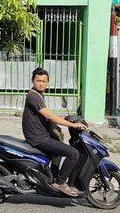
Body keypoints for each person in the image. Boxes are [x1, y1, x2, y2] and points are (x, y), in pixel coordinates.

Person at [22, 67, 87, 197]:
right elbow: (50, 116)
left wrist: (66, 119)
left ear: (47, 83)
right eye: (38, 80)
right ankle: (60, 183)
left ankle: (52, 178)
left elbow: (47, 115)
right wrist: (73, 125)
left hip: (40, 135)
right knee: (73, 153)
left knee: (58, 147)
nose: (41, 83)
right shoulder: (33, 96)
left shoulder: (39, 95)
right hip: (38, 138)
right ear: (32, 81)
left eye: (44, 81)